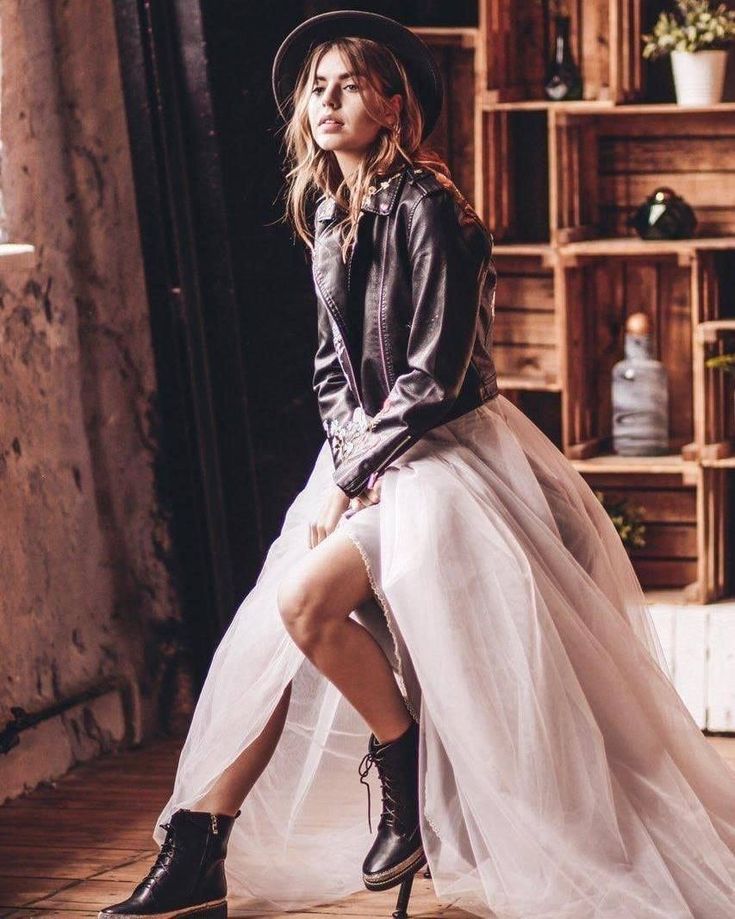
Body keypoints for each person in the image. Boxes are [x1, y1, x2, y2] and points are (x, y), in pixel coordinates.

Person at [99, 10, 735, 919]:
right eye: (316, 87)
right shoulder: (326, 207)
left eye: (350, 83)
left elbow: (433, 373)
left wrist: (357, 473)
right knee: (265, 635)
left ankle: (400, 758)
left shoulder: (432, 206)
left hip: (446, 455)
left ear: (394, 105)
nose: (327, 100)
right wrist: (342, 467)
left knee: (299, 601)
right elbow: (330, 366)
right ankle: (199, 840)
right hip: (367, 452)